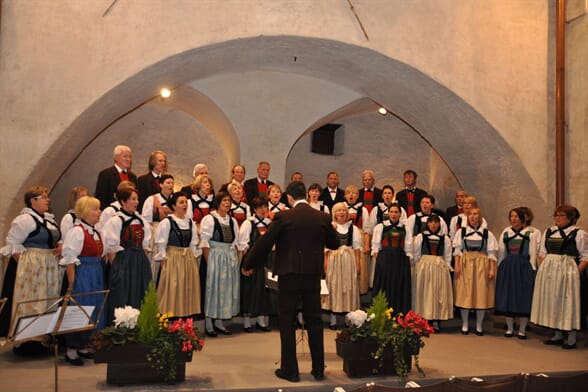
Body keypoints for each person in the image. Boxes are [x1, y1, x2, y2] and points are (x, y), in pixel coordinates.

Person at [242, 181, 338, 383]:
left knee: (287, 322)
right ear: (305, 194)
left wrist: (248, 262)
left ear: (290, 198)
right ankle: (318, 370)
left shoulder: (284, 217)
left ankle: (290, 371)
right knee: (314, 321)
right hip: (312, 276)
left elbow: (264, 243)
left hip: (289, 275)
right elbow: (334, 243)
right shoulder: (321, 217)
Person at [0, 186, 62, 346]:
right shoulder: (25, 220)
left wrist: (58, 247)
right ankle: (28, 340)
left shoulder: (49, 219)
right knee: (33, 301)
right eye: (43, 197)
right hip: (33, 266)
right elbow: (12, 243)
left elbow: (55, 238)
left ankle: (43, 336)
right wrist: (25, 266)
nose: (48, 199)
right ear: (32, 201)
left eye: (47, 196)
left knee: (47, 299)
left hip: (48, 265)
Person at [531, 204, 588, 349]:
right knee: (553, 301)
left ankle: (571, 337)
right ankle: (557, 334)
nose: (558, 218)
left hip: (569, 272)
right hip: (551, 273)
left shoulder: (579, 233)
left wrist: (575, 272)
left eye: (561, 216)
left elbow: (585, 256)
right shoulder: (549, 231)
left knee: (569, 302)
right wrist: (546, 269)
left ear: (571, 218)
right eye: (556, 215)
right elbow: (542, 253)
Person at [59, 196, 105, 365]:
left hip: (96, 273)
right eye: (95, 209)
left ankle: (84, 346)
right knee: (80, 308)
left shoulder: (96, 230)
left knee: (94, 308)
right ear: (86, 211)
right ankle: (72, 350)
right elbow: (70, 259)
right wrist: (72, 283)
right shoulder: (77, 231)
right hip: (84, 273)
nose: (99, 212)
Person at [102, 186, 152, 325]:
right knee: (123, 294)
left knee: (141, 292)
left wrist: (142, 260)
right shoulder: (116, 221)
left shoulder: (140, 220)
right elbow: (111, 249)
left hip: (139, 260)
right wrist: (117, 269)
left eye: (137, 199)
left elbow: (145, 244)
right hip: (123, 261)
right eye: (133, 199)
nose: (136, 202)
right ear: (123, 201)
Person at [154, 192, 201, 319]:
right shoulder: (167, 222)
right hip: (173, 257)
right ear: (174, 206)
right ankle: (170, 319)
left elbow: (193, 243)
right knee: (172, 289)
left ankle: (184, 320)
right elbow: (161, 242)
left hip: (187, 258)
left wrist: (193, 257)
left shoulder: (190, 222)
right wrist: (163, 257)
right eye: (181, 202)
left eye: (186, 202)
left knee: (186, 288)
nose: (184, 205)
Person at [200, 192, 240, 337]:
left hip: (228, 257)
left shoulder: (232, 221)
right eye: (224, 201)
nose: (227, 203)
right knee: (213, 289)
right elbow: (204, 242)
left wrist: (235, 260)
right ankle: (209, 322)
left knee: (224, 290)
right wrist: (209, 262)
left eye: (229, 201)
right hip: (215, 257)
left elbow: (235, 242)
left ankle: (219, 322)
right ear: (217, 203)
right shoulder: (210, 219)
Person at [495, 207, 540, 339]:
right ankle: (509, 328)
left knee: (523, 297)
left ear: (522, 219)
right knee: (508, 296)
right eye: (511, 217)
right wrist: (500, 268)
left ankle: (522, 329)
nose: (514, 219)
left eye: (516, 217)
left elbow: (532, 254)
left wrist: (532, 270)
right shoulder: (506, 232)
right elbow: (502, 253)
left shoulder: (530, 233)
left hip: (523, 267)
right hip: (508, 267)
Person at [452, 207, 498, 336]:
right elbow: (457, 251)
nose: (473, 217)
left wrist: (492, 269)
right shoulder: (461, 232)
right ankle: (465, 324)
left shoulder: (487, 233)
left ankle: (479, 325)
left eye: (475, 214)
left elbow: (491, 253)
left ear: (480, 216)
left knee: (480, 294)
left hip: (481, 264)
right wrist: (457, 266)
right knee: (465, 294)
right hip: (465, 263)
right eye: (470, 214)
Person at [322, 202, 360, 330]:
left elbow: (357, 249)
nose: (342, 213)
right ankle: (333, 320)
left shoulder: (352, 228)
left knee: (348, 288)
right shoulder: (331, 228)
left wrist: (358, 264)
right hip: (334, 259)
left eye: (344, 210)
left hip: (348, 260)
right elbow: (326, 249)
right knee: (334, 287)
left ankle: (348, 319)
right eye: (339, 210)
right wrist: (325, 264)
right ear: (334, 213)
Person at [412, 214, 453, 332]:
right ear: (427, 224)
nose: (433, 224)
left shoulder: (444, 238)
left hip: (439, 267)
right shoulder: (421, 237)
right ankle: (424, 319)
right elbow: (416, 254)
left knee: (437, 293)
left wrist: (447, 266)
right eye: (431, 222)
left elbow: (448, 255)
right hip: (424, 266)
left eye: (436, 222)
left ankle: (436, 320)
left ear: (439, 224)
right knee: (425, 292)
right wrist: (417, 266)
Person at [237, 198, 272, 332]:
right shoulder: (248, 223)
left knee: (264, 291)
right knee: (249, 290)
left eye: (265, 207)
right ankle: (247, 321)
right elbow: (243, 245)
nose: (263, 210)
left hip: (266, 261)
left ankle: (261, 320)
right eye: (260, 207)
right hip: (252, 260)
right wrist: (246, 264)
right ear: (254, 209)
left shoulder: (270, 223)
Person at [371, 203, 413, 315]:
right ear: (388, 213)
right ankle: (382, 313)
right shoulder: (380, 227)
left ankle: (398, 313)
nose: (394, 214)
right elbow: (376, 246)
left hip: (400, 259)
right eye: (392, 212)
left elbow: (408, 246)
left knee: (398, 285)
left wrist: (408, 258)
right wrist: (378, 257)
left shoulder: (406, 228)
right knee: (384, 285)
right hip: (385, 258)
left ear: (400, 214)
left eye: (396, 212)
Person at [141, 174, 174, 280]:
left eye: (172, 183)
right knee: (155, 266)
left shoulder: (175, 200)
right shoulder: (152, 199)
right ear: (161, 184)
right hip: (155, 233)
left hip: (171, 235)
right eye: (168, 183)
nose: (170, 185)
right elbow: (146, 221)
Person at [343, 185, 370, 295]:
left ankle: (359, 290)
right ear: (345, 196)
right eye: (349, 193)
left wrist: (367, 244)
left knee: (359, 263)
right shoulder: (341, 208)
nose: (351, 195)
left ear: (357, 196)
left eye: (354, 193)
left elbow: (367, 229)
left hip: (358, 236)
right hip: (344, 236)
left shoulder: (362, 210)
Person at [94, 145, 137, 209]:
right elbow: (101, 198)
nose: (128, 159)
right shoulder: (105, 174)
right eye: (125, 156)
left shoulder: (133, 176)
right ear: (116, 158)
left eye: (130, 157)